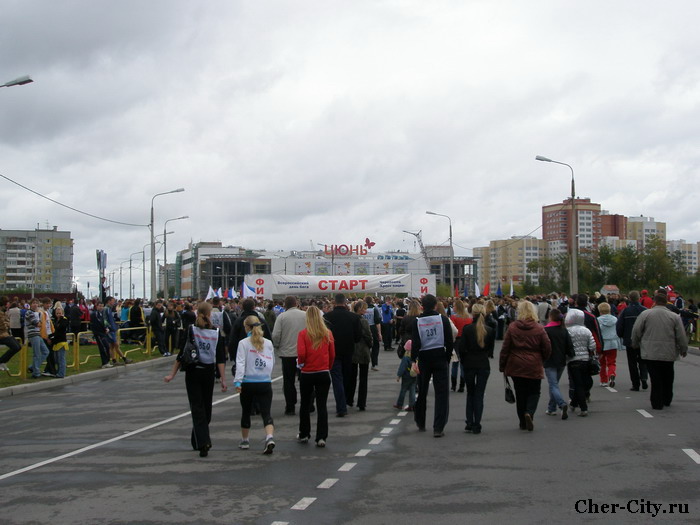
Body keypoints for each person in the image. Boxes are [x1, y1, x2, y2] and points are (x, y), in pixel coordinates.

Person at [164, 302, 227, 457]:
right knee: (200, 408)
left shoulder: (214, 332)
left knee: (204, 410)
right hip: (200, 370)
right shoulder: (197, 330)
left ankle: (196, 439)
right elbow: (183, 353)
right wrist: (223, 378)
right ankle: (204, 442)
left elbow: (219, 358)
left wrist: (223, 379)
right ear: (209, 314)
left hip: (198, 372)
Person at [499, 300, 551, 431]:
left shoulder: (512, 327)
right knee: (534, 392)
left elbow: (505, 348)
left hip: (516, 364)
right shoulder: (539, 328)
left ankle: (522, 421)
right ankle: (530, 412)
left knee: (520, 393)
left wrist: (502, 365)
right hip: (534, 363)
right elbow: (547, 347)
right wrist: (543, 359)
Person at [631, 293, 688, 410]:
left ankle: (657, 402)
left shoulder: (645, 314)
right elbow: (681, 335)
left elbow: (636, 330)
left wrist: (635, 343)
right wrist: (683, 348)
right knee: (668, 376)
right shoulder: (674, 316)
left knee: (655, 377)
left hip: (650, 352)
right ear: (666, 302)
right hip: (668, 352)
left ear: (654, 301)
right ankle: (667, 398)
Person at [411, 294, 454, 437]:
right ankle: (438, 427)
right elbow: (449, 341)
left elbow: (415, 344)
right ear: (435, 305)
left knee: (422, 391)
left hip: (424, 357)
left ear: (422, 306)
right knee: (441, 394)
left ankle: (420, 421)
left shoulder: (418, 321)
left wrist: (413, 360)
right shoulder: (443, 320)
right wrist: (447, 358)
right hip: (440, 356)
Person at [234, 315, 276, 454]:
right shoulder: (268, 343)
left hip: (248, 381)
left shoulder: (243, 343)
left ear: (247, 327)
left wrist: (238, 381)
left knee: (246, 411)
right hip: (264, 380)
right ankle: (269, 437)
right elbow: (272, 361)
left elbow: (241, 363)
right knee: (266, 412)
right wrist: (267, 375)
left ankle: (245, 440)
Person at [296, 305, 335, 447]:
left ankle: (304, 433)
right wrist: (327, 366)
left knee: (305, 404)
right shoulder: (327, 333)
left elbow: (301, 353)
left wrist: (301, 364)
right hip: (323, 372)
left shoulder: (303, 334)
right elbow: (332, 354)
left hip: (308, 372)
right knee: (322, 405)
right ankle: (321, 437)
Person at [458, 303, 495, 434]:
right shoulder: (489, 330)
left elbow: (461, 348)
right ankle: (477, 423)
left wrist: (463, 359)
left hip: (469, 363)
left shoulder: (467, 329)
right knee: (479, 395)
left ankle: (469, 421)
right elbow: (490, 350)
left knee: (470, 393)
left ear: (472, 313)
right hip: (483, 364)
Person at [323, 293, 362, 417]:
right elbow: (358, 337)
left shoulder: (327, 317)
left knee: (337, 378)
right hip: (349, 351)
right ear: (345, 302)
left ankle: (341, 406)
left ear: (334, 301)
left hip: (333, 351)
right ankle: (345, 401)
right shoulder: (354, 317)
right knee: (347, 377)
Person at [271, 296, 307, 415]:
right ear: (296, 303)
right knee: (306, 380)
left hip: (287, 353)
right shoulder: (305, 315)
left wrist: (277, 346)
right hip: (303, 352)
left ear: (285, 305)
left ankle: (290, 405)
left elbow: (276, 335)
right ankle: (308, 403)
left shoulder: (282, 317)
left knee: (288, 381)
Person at [565, 308, 596, 416]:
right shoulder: (586, 330)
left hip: (573, 360)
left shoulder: (567, 331)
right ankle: (581, 405)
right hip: (585, 359)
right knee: (586, 382)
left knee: (578, 383)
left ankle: (579, 405)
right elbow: (592, 346)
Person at [543, 309, 574, 419]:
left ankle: (561, 404)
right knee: (554, 384)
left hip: (549, 360)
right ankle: (551, 408)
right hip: (561, 360)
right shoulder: (563, 330)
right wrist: (569, 356)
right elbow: (569, 346)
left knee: (553, 385)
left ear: (550, 317)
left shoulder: (545, 330)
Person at [616, 291, 648, 391]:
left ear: (629, 298)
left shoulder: (625, 311)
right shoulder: (645, 311)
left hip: (629, 339)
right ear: (639, 298)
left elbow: (619, 325)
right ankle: (644, 377)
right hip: (643, 340)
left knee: (632, 362)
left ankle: (635, 383)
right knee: (643, 360)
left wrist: (622, 335)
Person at [349, 300, 372, 411]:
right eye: (364, 308)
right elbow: (368, 335)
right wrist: (370, 344)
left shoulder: (350, 319)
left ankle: (349, 398)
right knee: (363, 378)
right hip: (363, 350)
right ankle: (361, 402)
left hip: (352, 350)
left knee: (351, 377)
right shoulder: (363, 321)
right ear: (359, 309)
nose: (365, 310)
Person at [449, 299, 472, 392]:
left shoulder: (453, 317)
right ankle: (462, 385)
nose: (452, 307)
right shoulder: (469, 318)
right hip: (466, 341)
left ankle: (453, 385)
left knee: (455, 363)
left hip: (457, 341)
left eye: (454, 306)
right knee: (463, 364)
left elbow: (452, 330)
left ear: (457, 307)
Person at [25, 298, 51, 379]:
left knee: (46, 352)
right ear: (30, 304)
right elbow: (37, 324)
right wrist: (40, 322)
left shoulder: (38, 313)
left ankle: (33, 367)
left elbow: (42, 323)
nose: (35, 304)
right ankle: (36, 372)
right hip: (33, 334)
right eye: (33, 303)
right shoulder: (29, 313)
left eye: (36, 303)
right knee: (37, 354)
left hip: (38, 334)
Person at [597, 302, 620, 387]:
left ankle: (603, 380)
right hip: (613, 342)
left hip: (602, 343)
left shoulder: (598, 320)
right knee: (612, 362)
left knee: (602, 363)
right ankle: (612, 373)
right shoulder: (615, 319)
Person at [105, 296, 132, 365]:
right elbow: (105, 320)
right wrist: (108, 327)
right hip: (110, 330)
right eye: (113, 301)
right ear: (109, 301)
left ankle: (116, 360)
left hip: (112, 329)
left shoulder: (109, 309)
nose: (114, 302)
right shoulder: (106, 309)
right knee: (116, 345)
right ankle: (122, 359)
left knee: (112, 346)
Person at [0, 297, 22, 371]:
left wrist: (7, 323)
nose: (9, 304)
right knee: (15, 347)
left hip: (5, 334)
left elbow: (7, 321)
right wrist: (7, 324)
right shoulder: (1, 312)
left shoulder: (3, 312)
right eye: (8, 303)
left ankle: (3, 361)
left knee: (18, 346)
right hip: (2, 335)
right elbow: (3, 324)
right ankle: (1, 361)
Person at [394, 339, 416, 411]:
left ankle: (399, 404)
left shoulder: (405, 358)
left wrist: (398, 376)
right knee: (412, 390)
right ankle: (412, 405)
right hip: (414, 375)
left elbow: (402, 368)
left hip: (406, 376)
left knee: (403, 390)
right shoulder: (415, 357)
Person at [90, 302, 113, 368]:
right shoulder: (95, 314)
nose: (101, 307)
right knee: (103, 347)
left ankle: (107, 361)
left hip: (102, 333)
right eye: (100, 306)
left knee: (106, 347)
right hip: (99, 333)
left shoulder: (101, 314)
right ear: (96, 306)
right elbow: (96, 324)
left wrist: (106, 328)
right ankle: (105, 362)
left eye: (102, 306)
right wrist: (102, 330)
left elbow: (103, 322)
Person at [50, 306, 70, 378]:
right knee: (56, 359)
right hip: (56, 342)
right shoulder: (55, 320)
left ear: (62, 313)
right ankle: (59, 371)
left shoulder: (64, 320)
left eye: (60, 313)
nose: (58, 314)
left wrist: (62, 318)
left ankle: (61, 373)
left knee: (61, 358)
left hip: (62, 342)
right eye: (57, 313)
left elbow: (62, 327)